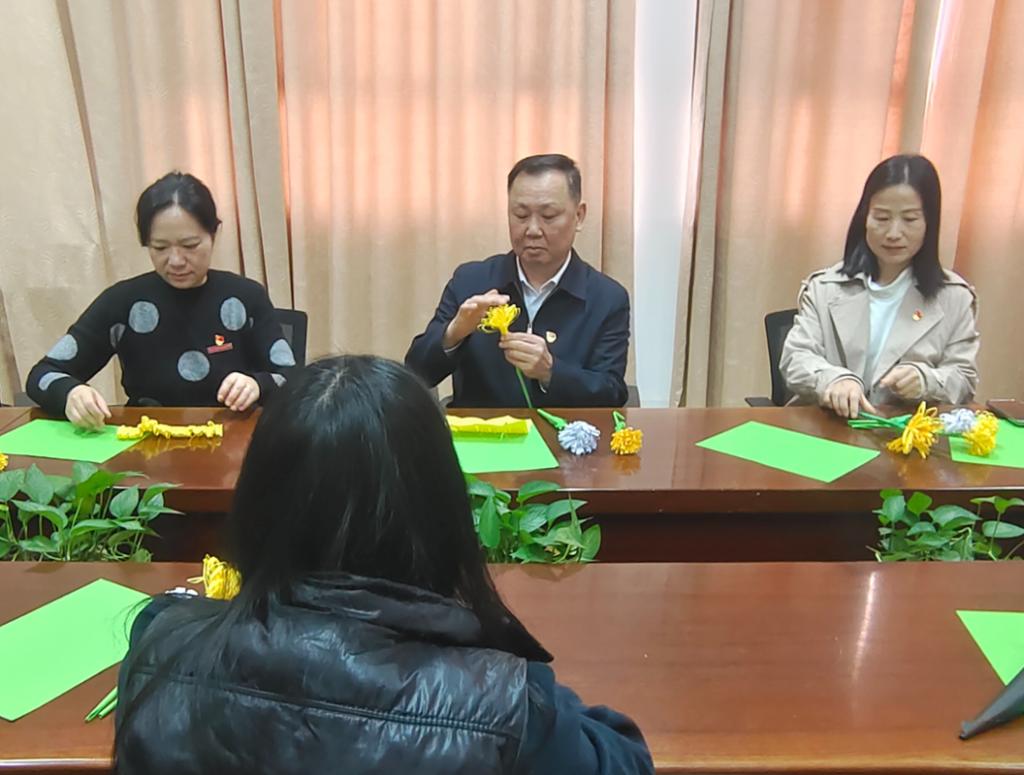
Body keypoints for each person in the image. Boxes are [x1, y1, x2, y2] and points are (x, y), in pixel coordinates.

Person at [114, 355, 654, 774]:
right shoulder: (508, 705)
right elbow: (626, 761)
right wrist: (532, 693)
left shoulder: (159, 641)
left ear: (257, 502)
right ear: (439, 509)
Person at [26, 172, 295, 428]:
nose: (175, 261)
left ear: (213, 235)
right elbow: (42, 374)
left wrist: (258, 385)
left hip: (233, 440)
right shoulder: (122, 301)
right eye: (160, 248)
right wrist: (70, 393)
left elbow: (293, 378)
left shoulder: (247, 296)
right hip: (148, 443)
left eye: (190, 245)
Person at [405, 154, 630, 407]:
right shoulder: (471, 281)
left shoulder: (607, 298)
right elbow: (416, 372)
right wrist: (454, 332)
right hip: (481, 431)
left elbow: (612, 393)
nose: (532, 230)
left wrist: (551, 372)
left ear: (579, 216)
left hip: (562, 432)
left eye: (548, 216)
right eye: (520, 215)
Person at [780, 154, 979, 418]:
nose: (894, 233)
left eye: (910, 219)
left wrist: (926, 379)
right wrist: (833, 379)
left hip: (907, 433)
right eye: (882, 218)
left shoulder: (955, 297)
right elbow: (796, 358)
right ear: (864, 218)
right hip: (827, 427)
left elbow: (964, 378)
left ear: (929, 223)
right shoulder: (825, 287)